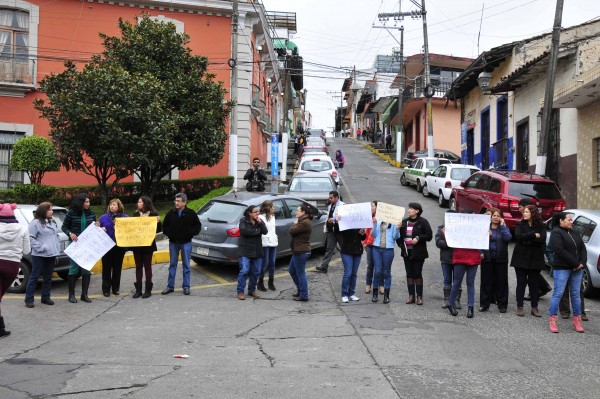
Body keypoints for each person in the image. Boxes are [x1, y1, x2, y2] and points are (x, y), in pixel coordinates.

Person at [548, 212, 587, 333]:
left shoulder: (575, 233)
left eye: (572, 220)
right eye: (569, 220)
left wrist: (582, 263)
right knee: (558, 293)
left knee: (576, 294)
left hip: (577, 269)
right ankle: (553, 319)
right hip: (562, 268)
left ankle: (577, 319)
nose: (572, 222)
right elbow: (559, 250)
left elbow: (582, 248)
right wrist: (575, 263)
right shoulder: (556, 233)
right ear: (561, 221)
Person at [161, 193, 201, 296]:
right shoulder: (171, 213)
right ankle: (170, 286)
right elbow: (164, 226)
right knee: (172, 265)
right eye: (176, 201)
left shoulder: (191, 213)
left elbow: (197, 226)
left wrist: (189, 233)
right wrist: (170, 233)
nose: (176, 203)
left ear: (184, 202)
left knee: (186, 265)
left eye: (179, 201)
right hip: (173, 243)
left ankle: (186, 286)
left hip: (186, 243)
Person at [0, 203, 31, 338]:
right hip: (12, 267)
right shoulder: (23, 229)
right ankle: (1, 328)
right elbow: (27, 250)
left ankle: (1, 328)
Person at [510, 205, 546, 317]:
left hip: (535, 258)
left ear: (533, 213)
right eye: (524, 212)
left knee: (534, 284)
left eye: (527, 212)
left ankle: (534, 307)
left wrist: (528, 239)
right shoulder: (520, 224)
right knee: (521, 283)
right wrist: (533, 235)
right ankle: (519, 306)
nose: (524, 214)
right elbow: (518, 237)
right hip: (520, 258)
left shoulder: (541, 225)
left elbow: (542, 239)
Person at [62, 193, 97, 304]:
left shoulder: (91, 213)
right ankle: (71, 295)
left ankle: (84, 294)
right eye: (86, 202)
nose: (88, 204)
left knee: (86, 269)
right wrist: (70, 233)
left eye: (89, 202)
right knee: (74, 268)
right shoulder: (71, 213)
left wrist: (98, 225)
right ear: (80, 202)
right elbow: (64, 227)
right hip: (75, 244)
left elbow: (94, 226)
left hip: (87, 245)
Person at [25, 202, 61, 308]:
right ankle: (29, 299)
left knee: (48, 277)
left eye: (51, 209)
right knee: (34, 276)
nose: (52, 211)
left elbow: (55, 235)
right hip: (39, 255)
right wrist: (42, 247)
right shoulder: (35, 223)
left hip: (51, 254)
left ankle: (45, 297)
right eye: (49, 209)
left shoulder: (52, 222)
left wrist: (56, 246)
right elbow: (30, 238)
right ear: (43, 211)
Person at [398, 202, 433, 305]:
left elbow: (429, 236)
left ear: (417, 211)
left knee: (417, 273)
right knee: (409, 274)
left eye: (412, 208)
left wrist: (418, 238)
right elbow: (399, 236)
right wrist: (401, 245)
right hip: (406, 252)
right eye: (409, 208)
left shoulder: (423, 222)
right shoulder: (404, 222)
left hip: (418, 252)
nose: (409, 210)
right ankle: (411, 296)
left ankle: (419, 296)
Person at [518, 198, 552, 299]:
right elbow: (520, 236)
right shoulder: (523, 220)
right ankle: (543, 287)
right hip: (527, 249)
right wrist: (531, 236)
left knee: (532, 271)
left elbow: (541, 237)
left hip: (537, 249)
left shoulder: (537, 221)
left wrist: (528, 237)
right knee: (529, 270)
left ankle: (540, 288)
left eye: (520, 207)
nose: (519, 209)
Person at [480, 208, 512, 313]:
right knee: (486, 282)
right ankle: (484, 304)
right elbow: (479, 240)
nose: (496, 218)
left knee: (501, 282)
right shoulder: (485, 228)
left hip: (501, 258)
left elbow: (508, 238)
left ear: (501, 218)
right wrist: (480, 252)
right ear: (491, 217)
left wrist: (503, 226)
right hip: (487, 258)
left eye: (498, 216)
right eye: (494, 215)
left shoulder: (504, 228)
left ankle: (502, 305)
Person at [131, 196, 161, 298]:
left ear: (145, 203)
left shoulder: (153, 215)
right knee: (138, 266)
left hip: (148, 245)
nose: (138, 204)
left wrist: (158, 222)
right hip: (137, 245)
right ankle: (138, 290)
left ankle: (148, 290)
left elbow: (157, 230)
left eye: (140, 202)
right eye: (138, 202)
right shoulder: (135, 214)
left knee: (147, 267)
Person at [236, 205, 268, 300]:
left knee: (256, 272)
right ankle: (240, 291)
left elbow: (265, 231)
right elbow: (245, 232)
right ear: (250, 213)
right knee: (244, 271)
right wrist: (258, 231)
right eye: (255, 212)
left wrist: (260, 223)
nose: (257, 213)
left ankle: (251, 290)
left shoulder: (259, 221)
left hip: (257, 250)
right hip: (245, 250)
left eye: (258, 211)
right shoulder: (243, 220)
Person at [98, 199, 128, 297]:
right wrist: (99, 228)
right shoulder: (104, 217)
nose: (112, 206)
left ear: (119, 206)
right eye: (111, 205)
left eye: (114, 205)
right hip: (106, 247)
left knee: (117, 268)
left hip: (119, 246)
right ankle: (106, 289)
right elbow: (97, 229)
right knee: (106, 268)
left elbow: (130, 230)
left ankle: (116, 288)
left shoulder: (125, 217)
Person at [447, 240, 483, 318]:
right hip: (460, 256)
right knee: (457, 282)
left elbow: (482, 237)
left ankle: (470, 307)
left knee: (470, 283)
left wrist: (488, 235)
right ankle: (450, 304)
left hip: (473, 257)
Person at [370, 215, 401, 304]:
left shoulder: (394, 222)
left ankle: (386, 296)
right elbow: (373, 235)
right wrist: (375, 225)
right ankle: (375, 294)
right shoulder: (378, 220)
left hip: (388, 249)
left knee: (386, 272)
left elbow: (396, 237)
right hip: (376, 249)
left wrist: (398, 228)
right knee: (377, 271)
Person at [435, 209, 462, 309]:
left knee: (457, 280)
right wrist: (447, 238)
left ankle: (456, 300)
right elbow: (438, 243)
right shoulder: (441, 229)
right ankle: (447, 299)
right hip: (445, 259)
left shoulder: (461, 229)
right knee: (447, 280)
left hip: (458, 258)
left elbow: (462, 242)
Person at [289, 204, 314, 302]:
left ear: (303, 212)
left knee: (300, 273)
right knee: (292, 270)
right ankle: (300, 289)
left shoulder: (304, 222)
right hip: (297, 250)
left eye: (298, 210)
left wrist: (295, 224)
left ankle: (304, 295)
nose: (296, 212)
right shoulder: (303, 221)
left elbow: (291, 231)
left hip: (301, 251)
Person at [337, 219, 366, 303]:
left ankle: (351, 293)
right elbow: (339, 231)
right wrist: (339, 221)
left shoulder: (360, 223)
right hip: (346, 251)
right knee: (348, 273)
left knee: (354, 273)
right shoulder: (345, 224)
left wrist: (363, 233)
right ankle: (344, 294)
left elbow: (363, 237)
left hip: (357, 251)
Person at [316, 191, 344, 273]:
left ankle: (348, 265)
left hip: (339, 231)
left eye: (331, 198)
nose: (330, 199)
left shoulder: (342, 205)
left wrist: (334, 219)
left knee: (344, 248)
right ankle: (324, 266)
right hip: (331, 231)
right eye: (329, 197)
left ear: (336, 197)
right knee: (329, 249)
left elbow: (344, 217)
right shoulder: (330, 206)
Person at [257, 200, 278, 292]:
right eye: (273, 206)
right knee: (265, 262)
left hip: (273, 242)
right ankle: (260, 282)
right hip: (264, 242)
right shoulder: (260, 217)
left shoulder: (273, 217)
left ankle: (271, 281)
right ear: (268, 208)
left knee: (272, 263)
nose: (274, 208)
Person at [364, 201, 379, 294]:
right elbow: (366, 231)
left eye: (372, 205)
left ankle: (380, 285)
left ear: (377, 207)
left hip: (379, 245)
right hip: (370, 245)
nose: (371, 207)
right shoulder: (368, 217)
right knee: (370, 266)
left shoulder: (382, 218)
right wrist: (364, 243)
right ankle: (368, 284)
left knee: (379, 267)